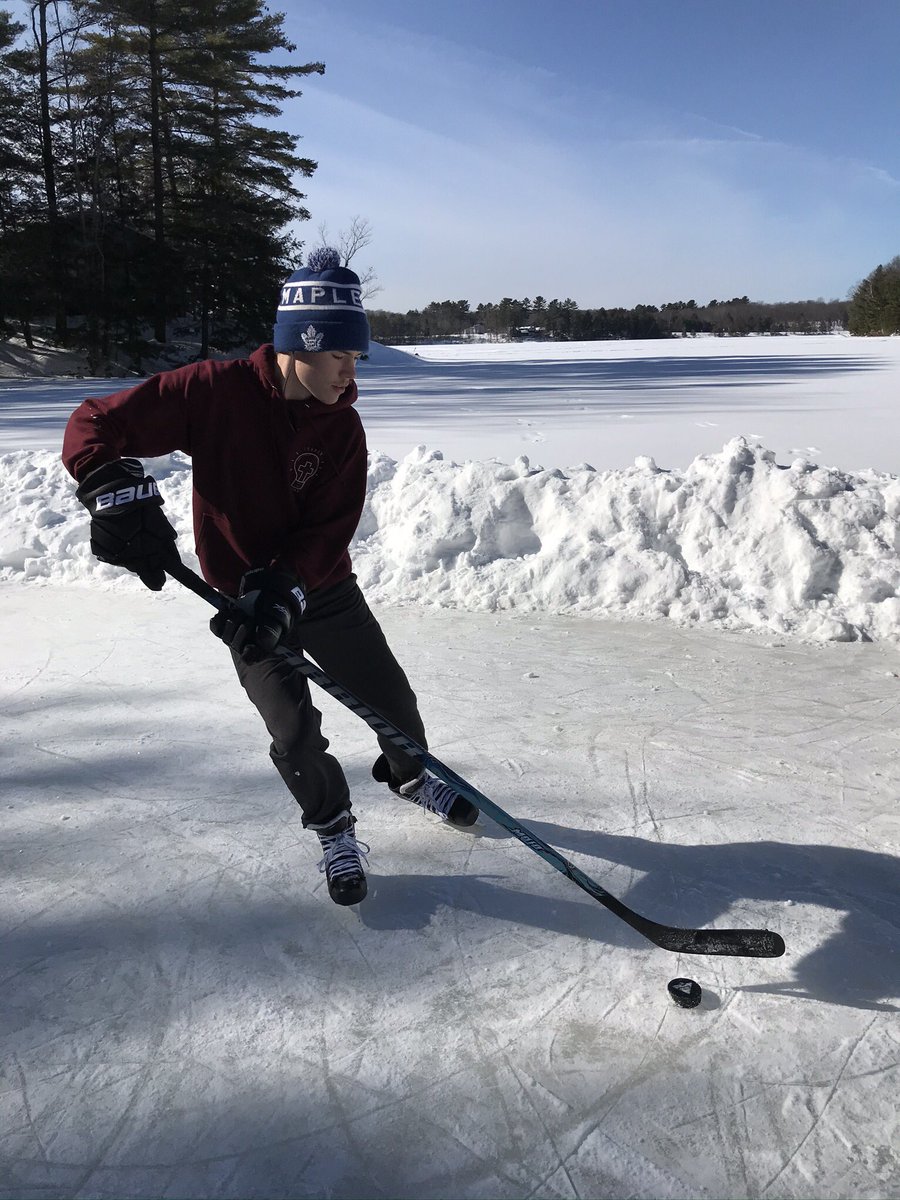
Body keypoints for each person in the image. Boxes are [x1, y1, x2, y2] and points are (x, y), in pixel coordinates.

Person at [62, 247, 477, 906]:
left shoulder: (342, 428)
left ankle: (408, 775)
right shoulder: (211, 391)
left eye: (355, 359)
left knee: (392, 701)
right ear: (302, 344)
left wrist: (289, 584)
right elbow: (96, 421)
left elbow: (327, 529)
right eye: (340, 356)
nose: (351, 373)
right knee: (293, 729)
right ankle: (333, 827)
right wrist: (104, 479)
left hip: (323, 591)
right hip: (241, 604)